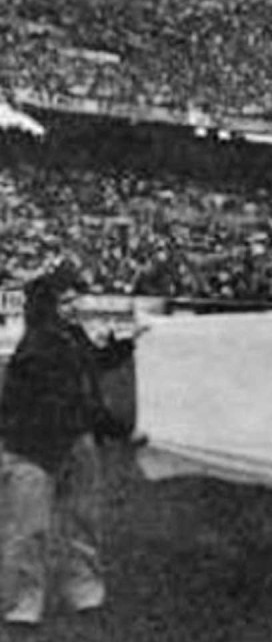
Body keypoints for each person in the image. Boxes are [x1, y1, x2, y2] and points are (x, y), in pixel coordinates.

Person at [0, 265, 136, 625]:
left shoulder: (69, 335)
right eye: (66, 299)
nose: (74, 305)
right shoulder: (41, 346)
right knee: (30, 530)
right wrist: (118, 430)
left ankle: (76, 595)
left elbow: (96, 363)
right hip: (32, 446)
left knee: (80, 521)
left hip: (68, 439)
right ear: (48, 304)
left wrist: (127, 344)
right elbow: (76, 398)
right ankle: (27, 606)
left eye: (75, 298)